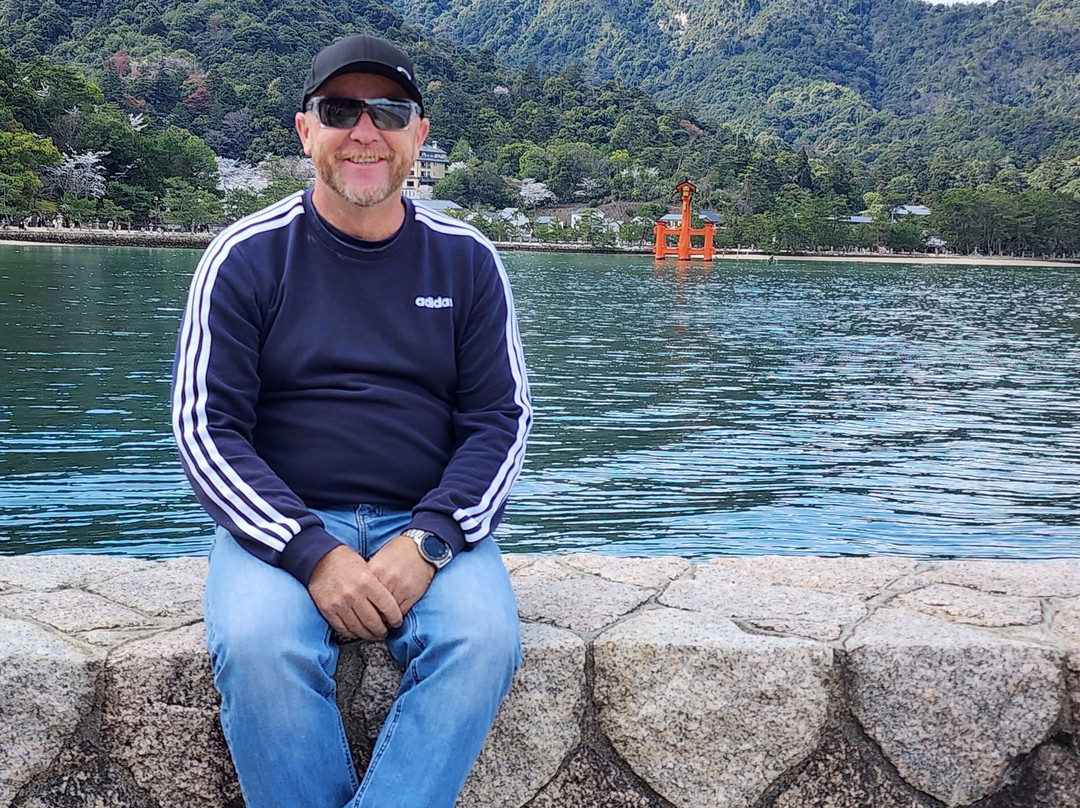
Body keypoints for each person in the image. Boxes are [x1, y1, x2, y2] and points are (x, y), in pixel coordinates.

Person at [171, 34, 531, 808]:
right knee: (260, 649)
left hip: (426, 518)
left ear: (418, 136)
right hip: (283, 523)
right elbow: (206, 429)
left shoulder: (467, 260)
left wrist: (431, 540)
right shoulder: (245, 256)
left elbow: (499, 422)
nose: (365, 132)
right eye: (340, 111)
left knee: (482, 642)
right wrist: (311, 553)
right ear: (307, 131)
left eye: (389, 113)